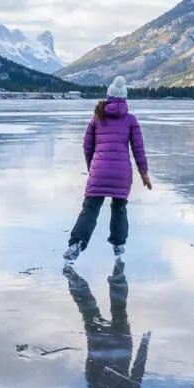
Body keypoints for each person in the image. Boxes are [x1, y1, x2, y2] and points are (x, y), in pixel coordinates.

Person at [64, 76, 152, 265]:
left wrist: (92, 167)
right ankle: (119, 245)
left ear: (108, 97)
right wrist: (144, 173)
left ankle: (76, 243)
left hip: (99, 171)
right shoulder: (130, 120)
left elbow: (87, 146)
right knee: (119, 208)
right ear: (125, 99)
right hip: (122, 174)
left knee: (90, 208)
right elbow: (138, 149)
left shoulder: (97, 118)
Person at [64, 260, 151, 388]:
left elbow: (138, 371)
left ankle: (117, 276)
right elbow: (90, 374)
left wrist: (144, 345)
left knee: (116, 309)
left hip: (118, 347)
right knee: (91, 311)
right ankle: (75, 280)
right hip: (102, 350)